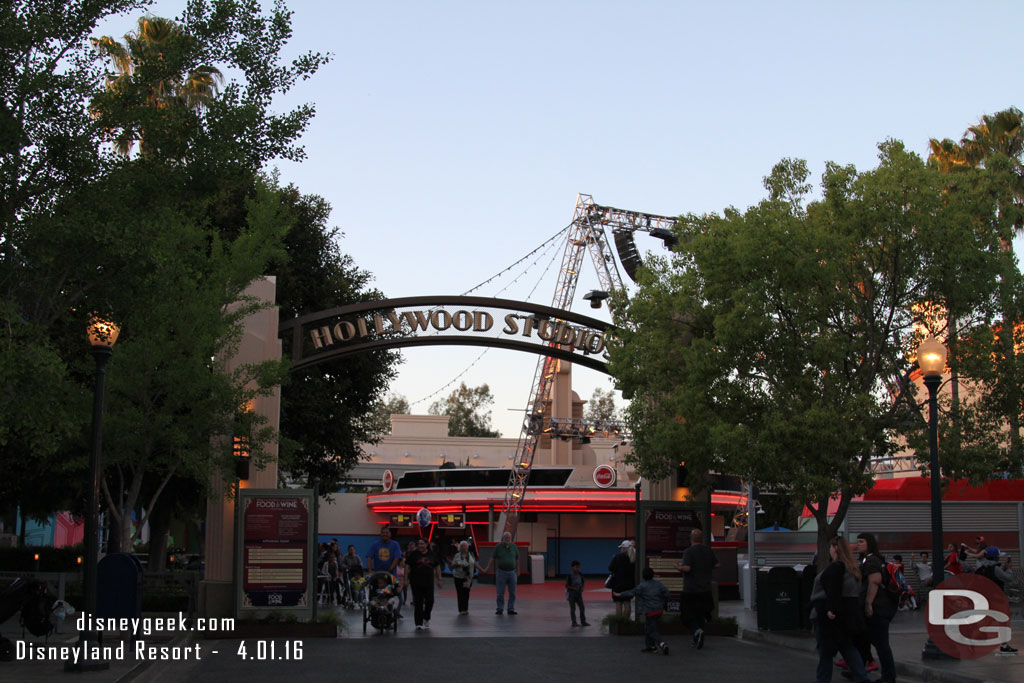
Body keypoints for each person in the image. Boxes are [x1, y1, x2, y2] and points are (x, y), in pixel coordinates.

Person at [810, 537, 869, 683]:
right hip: (847, 614)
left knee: (826, 651)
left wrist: (831, 608)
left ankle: (822, 680)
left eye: (831, 547)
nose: (829, 550)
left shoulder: (836, 568)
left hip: (826, 613)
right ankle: (861, 677)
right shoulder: (853, 568)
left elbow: (833, 590)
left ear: (835, 548)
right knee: (847, 647)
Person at [856, 532, 896, 683]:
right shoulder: (874, 559)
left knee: (881, 644)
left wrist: (868, 604)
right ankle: (858, 670)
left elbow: (875, 580)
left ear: (869, 543)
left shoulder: (871, 560)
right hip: (882, 607)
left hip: (878, 608)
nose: (858, 544)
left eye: (861, 541)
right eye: (858, 541)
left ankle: (888, 677)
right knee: (867, 640)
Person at [675, 528, 719, 650]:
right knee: (701, 615)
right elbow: (717, 564)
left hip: (691, 589)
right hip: (705, 589)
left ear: (691, 539)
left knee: (686, 615)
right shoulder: (708, 550)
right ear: (702, 538)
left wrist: (679, 567)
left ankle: (697, 631)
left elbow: (688, 568)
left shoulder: (689, 551)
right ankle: (698, 637)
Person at [614, 567, 670, 655]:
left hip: (650, 611)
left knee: (651, 630)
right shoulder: (659, 584)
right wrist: (663, 601)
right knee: (648, 627)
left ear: (643, 576)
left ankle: (662, 644)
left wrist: (620, 594)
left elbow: (632, 592)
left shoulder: (642, 586)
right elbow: (667, 593)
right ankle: (650, 647)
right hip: (659, 610)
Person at [405, 537, 442, 630]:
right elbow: (407, 566)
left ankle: (426, 617)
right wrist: (405, 579)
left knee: (430, 601)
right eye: (419, 544)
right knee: (418, 602)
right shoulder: (413, 554)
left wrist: (439, 579)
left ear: (426, 544)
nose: (420, 546)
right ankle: (418, 622)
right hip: (416, 582)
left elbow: (437, 567)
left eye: (422, 544)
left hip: (428, 582)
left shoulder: (432, 554)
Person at [483, 531, 520, 615]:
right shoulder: (498, 547)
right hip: (501, 572)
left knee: (513, 593)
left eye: (509, 538)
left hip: (512, 572)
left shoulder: (514, 546)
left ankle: (511, 609)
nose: (507, 539)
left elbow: (517, 559)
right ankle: (500, 608)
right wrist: (487, 568)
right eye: (506, 537)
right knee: (500, 592)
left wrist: (518, 570)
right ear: (503, 538)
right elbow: (492, 558)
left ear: (511, 538)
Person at [448, 540, 483, 615]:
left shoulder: (471, 554)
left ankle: (465, 608)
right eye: (463, 546)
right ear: (460, 547)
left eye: (466, 546)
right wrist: (458, 564)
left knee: (466, 593)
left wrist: (482, 570)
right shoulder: (457, 555)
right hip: (458, 577)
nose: (464, 548)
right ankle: (461, 609)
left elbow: (474, 563)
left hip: (468, 578)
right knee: (460, 593)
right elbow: (452, 565)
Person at [608, 539, 637, 619]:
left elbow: (610, 568)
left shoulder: (617, 557)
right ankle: (627, 620)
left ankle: (619, 620)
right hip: (629, 584)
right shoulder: (633, 558)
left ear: (624, 548)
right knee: (627, 602)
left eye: (621, 547)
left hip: (618, 583)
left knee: (618, 602)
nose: (621, 549)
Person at [565, 560, 590, 627]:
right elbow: (567, 585)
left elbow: (583, 581)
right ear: (572, 567)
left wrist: (583, 587)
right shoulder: (569, 575)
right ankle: (574, 622)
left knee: (582, 608)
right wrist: (574, 588)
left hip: (579, 594)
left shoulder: (580, 574)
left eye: (579, 567)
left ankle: (583, 622)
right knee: (573, 609)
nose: (578, 569)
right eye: (576, 567)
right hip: (572, 594)